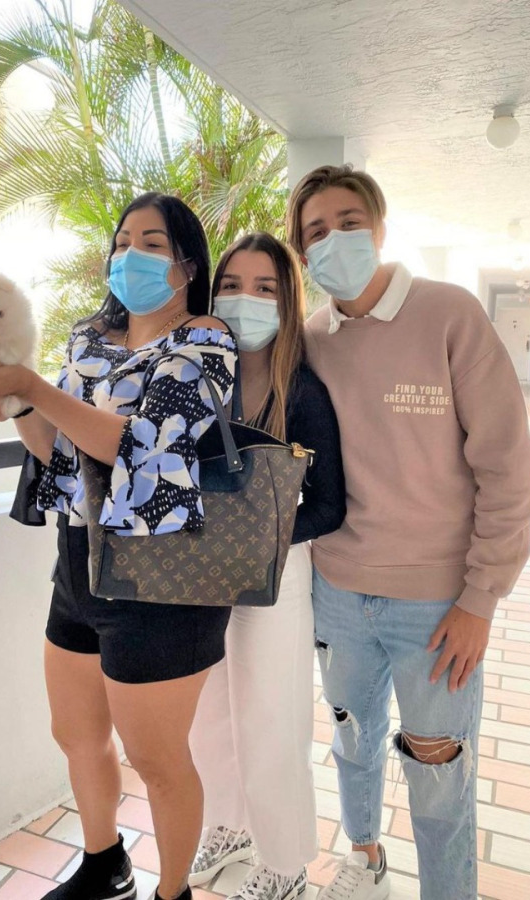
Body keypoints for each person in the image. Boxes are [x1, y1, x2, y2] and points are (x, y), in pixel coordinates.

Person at [0, 193, 239, 900]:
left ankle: (173, 893)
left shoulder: (206, 341)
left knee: (157, 758)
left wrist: (29, 384)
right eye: (122, 241)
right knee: (75, 733)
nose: (130, 255)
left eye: (151, 243)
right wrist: (10, 401)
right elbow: (55, 449)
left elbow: (139, 446)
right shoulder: (90, 337)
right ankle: (106, 867)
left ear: (186, 266)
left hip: (162, 575)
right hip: (79, 558)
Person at [285, 166, 530, 900]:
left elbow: (507, 469)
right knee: (352, 742)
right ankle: (365, 859)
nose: (334, 239)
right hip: (338, 595)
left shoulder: (450, 314)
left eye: (348, 222)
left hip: (436, 609)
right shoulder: (312, 340)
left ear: (381, 227)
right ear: (302, 252)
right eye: (316, 232)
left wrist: (481, 600)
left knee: (438, 777)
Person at [187, 233, 346, 900]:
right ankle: (226, 829)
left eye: (264, 288)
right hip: (200, 578)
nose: (244, 300)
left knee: (271, 721)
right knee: (208, 718)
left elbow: (331, 505)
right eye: (231, 285)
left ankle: (284, 864)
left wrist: (264, 540)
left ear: (286, 302)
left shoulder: (303, 393)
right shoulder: (196, 380)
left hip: (274, 580)